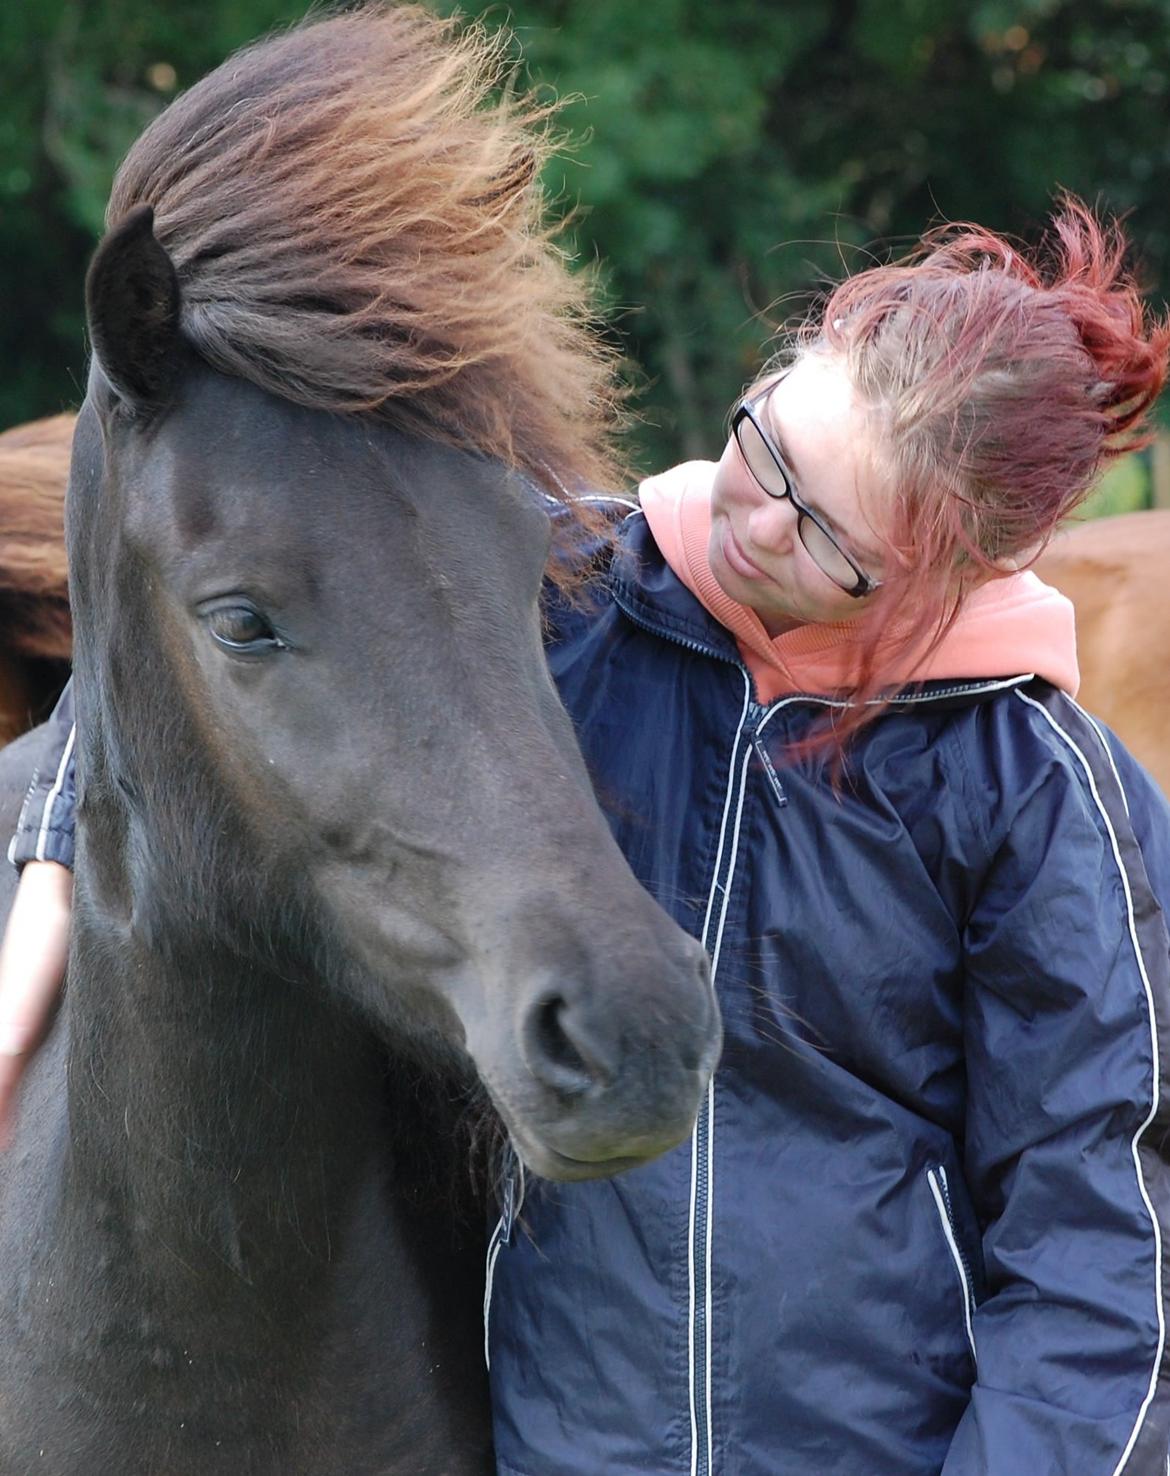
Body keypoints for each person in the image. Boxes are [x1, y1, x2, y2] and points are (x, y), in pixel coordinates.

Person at [4, 199, 1170, 1474]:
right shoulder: (558, 599)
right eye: (768, 450)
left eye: (831, 539)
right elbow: (186, 702)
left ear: (955, 576)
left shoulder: (1037, 790)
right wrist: (45, 906)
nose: (758, 521)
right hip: (567, 1442)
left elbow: (1101, 1233)